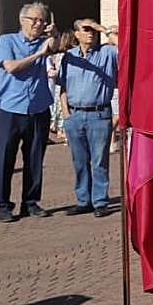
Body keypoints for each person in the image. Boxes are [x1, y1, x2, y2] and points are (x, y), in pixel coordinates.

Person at [0, 2, 59, 222]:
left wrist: (54, 35)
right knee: (5, 157)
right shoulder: (7, 40)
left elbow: (58, 46)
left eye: (42, 20)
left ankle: (30, 202)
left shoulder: (45, 42)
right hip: (9, 109)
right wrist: (39, 54)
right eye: (35, 20)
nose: (38, 24)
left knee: (35, 158)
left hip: (38, 109)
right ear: (23, 20)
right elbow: (11, 67)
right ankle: (3, 204)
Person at [57, 19, 119, 217]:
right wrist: (65, 113)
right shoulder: (69, 57)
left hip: (99, 114)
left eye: (93, 30)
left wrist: (103, 29)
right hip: (74, 115)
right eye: (86, 30)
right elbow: (63, 86)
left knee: (99, 160)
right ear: (76, 34)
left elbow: (126, 47)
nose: (90, 33)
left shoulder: (107, 53)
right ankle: (83, 200)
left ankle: (100, 201)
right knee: (79, 160)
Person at [48, 31, 76, 143]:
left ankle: (60, 130)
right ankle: (64, 132)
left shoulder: (56, 56)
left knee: (59, 107)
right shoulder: (71, 55)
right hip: (67, 84)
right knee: (66, 107)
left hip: (57, 85)